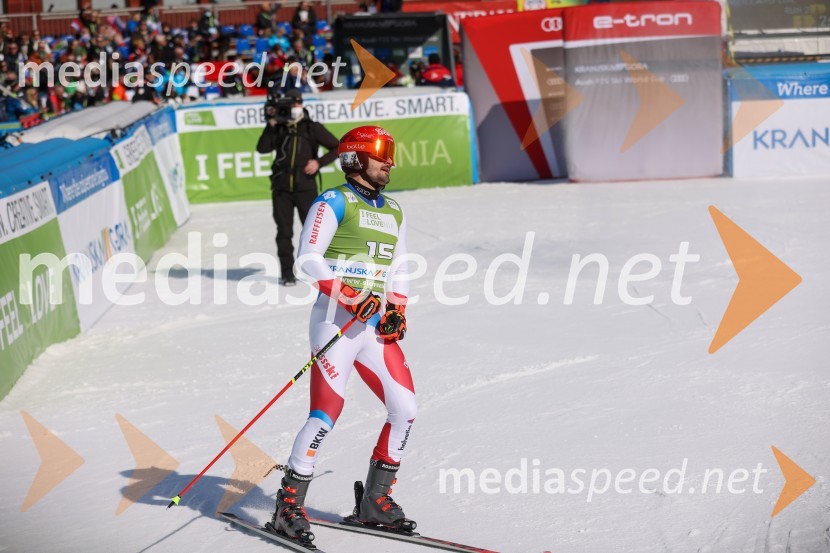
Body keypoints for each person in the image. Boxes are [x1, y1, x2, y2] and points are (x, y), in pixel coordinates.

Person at [268, 125, 416, 545]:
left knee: (405, 409)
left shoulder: (394, 210)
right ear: (356, 158)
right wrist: (349, 294)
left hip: (372, 322)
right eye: (381, 153)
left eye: (391, 152)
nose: (389, 161)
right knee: (326, 412)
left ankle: (375, 501)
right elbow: (308, 259)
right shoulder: (333, 200)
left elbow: (400, 265)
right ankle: (288, 505)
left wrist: (398, 309)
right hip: (335, 320)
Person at [256, 89, 338, 285]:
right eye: (290, 104)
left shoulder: (311, 128)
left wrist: (318, 162)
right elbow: (262, 148)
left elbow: (338, 147)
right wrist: (271, 125)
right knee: (284, 232)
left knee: (313, 232)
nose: (294, 107)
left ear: (302, 104)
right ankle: (287, 273)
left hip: (306, 188)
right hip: (282, 188)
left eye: (297, 103)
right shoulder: (279, 127)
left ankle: (321, 271)